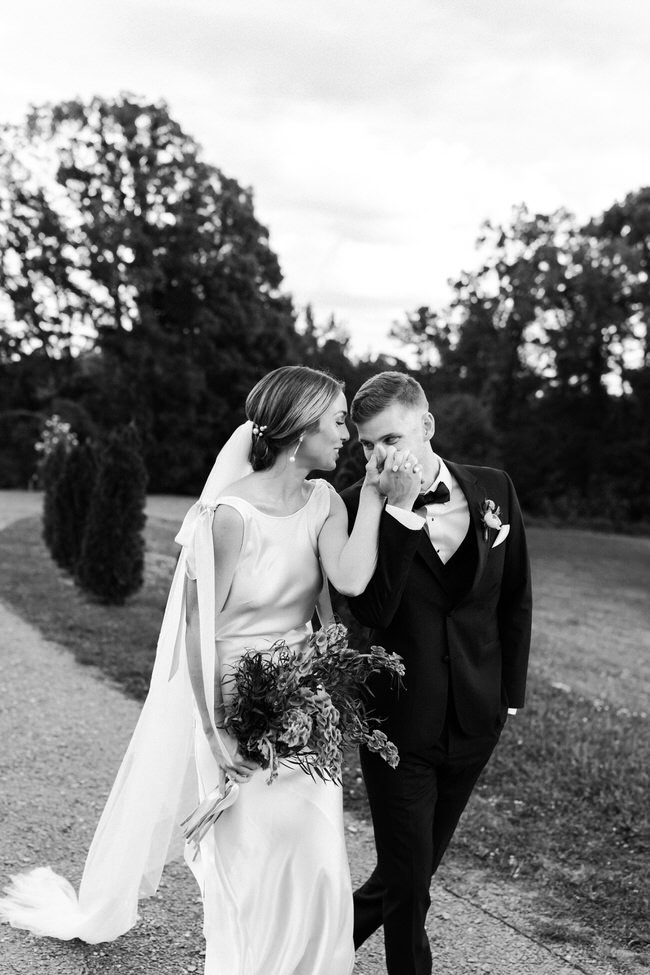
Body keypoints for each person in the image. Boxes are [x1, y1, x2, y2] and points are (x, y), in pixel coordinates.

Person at [0, 365, 422, 975]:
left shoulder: (327, 501)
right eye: (335, 422)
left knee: (320, 857)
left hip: (305, 699)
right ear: (300, 429)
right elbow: (199, 632)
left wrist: (379, 499)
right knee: (249, 861)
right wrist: (216, 730)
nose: (344, 436)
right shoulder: (227, 516)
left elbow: (353, 580)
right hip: (233, 696)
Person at [339, 371, 532, 975]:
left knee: (408, 875)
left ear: (426, 426)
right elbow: (372, 610)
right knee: (408, 885)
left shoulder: (493, 489)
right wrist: (395, 510)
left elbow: (516, 596)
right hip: (396, 725)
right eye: (366, 445)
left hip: (476, 718)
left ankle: (305, 953)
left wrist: (510, 698)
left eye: (390, 439)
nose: (378, 457)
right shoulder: (354, 506)